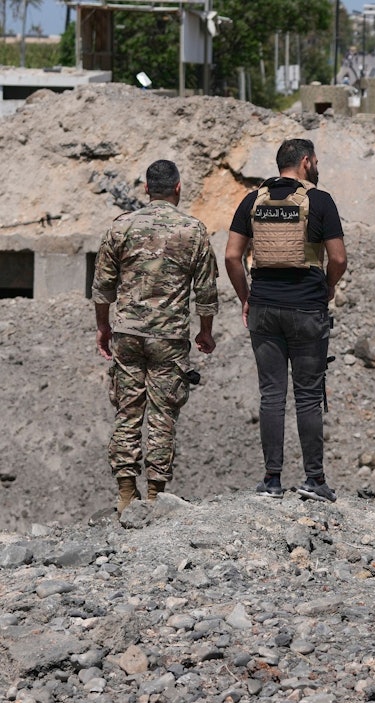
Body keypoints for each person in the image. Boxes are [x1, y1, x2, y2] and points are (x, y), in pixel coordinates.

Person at [224, 139, 348, 502]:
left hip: (263, 307)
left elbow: (233, 256)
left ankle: (272, 480)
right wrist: (327, 286)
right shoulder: (320, 201)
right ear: (306, 162)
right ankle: (314, 480)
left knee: (271, 396)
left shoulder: (253, 201)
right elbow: (338, 258)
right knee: (308, 396)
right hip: (307, 308)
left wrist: (246, 297)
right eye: (317, 160)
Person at [92, 159, 219, 512]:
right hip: (169, 338)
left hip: (127, 334)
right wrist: (205, 332)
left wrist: (104, 327)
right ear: (178, 188)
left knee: (127, 412)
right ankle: (154, 495)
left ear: (146, 189)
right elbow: (206, 292)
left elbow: (103, 287)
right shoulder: (193, 231)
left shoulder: (122, 227)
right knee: (163, 414)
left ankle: (124, 494)